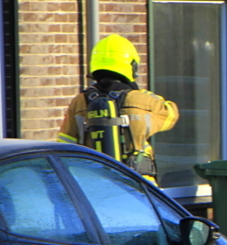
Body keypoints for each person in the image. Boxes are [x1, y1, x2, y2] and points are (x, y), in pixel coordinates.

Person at [58, 34, 179, 185]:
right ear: (131, 66)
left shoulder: (80, 101)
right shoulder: (142, 100)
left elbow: (65, 143)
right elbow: (171, 114)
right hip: (138, 185)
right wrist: (142, 94)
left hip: (93, 184)